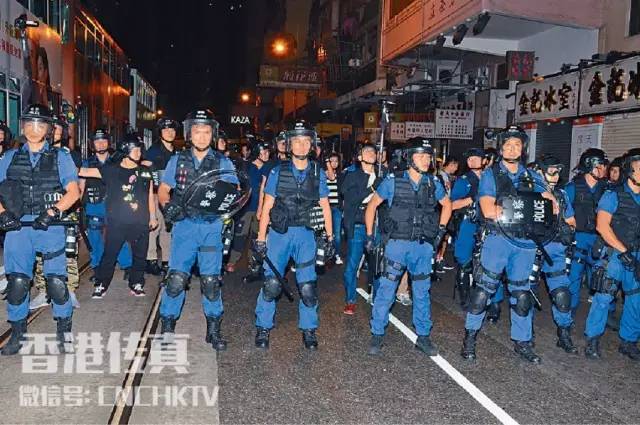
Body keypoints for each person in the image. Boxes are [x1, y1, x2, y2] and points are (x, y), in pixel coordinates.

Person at [460, 126, 558, 363]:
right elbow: (487, 209)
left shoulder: (533, 176)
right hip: (498, 240)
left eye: (517, 145)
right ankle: (470, 338)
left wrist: (523, 208)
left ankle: (522, 342)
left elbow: (552, 206)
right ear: (501, 148)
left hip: (525, 243)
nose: (513, 148)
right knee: (483, 292)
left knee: (522, 295)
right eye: (508, 145)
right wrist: (526, 209)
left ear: (523, 149)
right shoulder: (490, 174)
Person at [0, 104, 80, 355]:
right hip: (18, 227)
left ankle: (64, 329)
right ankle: (18, 332)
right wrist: (2, 216)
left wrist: (52, 212)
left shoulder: (61, 157)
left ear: (48, 129)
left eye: (40, 124)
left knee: (56, 282)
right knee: (17, 283)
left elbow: (73, 192)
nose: (35, 129)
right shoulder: (9, 158)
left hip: (49, 225)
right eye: (30, 123)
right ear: (22, 126)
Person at [158, 109, 240, 352]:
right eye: (197, 131)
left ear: (212, 134)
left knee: (211, 281)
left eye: (206, 132)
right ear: (189, 134)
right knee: (175, 280)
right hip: (185, 227)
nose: (202, 136)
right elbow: (163, 189)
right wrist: (167, 206)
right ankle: (168, 328)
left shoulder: (223, 162)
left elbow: (235, 193)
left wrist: (226, 218)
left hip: (211, 228)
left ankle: (213, 330)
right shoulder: (178, 160)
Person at [364, 137, 451, 355]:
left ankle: (423, 336)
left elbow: (447, 205)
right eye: (420, 155)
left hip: (422, 246)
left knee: (422, 292)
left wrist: (440, 231)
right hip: (397, 244)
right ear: (410, 158)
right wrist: (369, 235)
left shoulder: (433, 183)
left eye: (428, 156)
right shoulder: (394, 180)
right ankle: (377, 334)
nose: (425, 160)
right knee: (386, 290)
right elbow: (372, 205)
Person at [252, 120, 334, 350]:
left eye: (305, 142)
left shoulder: (318, 173)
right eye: (296, 142)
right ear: (289, 145)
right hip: (280, 234)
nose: (300, 146)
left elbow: (325, 206)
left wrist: (330, 238)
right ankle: (263, 327)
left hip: (306, 235)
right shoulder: (278, 171)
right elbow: (268, 206)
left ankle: (309, 329)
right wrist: (261, 238)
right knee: (271, 284)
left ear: (311, 146)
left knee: (307, 287)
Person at [79, 134, 156, 298]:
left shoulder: (144, 171)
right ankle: (101, 284)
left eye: (139, 149)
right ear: (125, 150)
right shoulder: (111, 170)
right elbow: (84, 171)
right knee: (110, 254)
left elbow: (150, 195)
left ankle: (136, 282)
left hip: (140, 221)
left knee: (140, 255)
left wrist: (153, 216)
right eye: (134, 149)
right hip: (117, 222)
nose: (138, 152)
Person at [583, 149, 640, 360]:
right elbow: (602, 226)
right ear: (629, 170)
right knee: (603, 297)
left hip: (636, 255)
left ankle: (629, 341)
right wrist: (623, 251)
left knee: (635, 300)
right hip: (614, 254)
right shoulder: (613, 195)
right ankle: (592, 340)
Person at [30, 114, 82, 310]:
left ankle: (70, 290)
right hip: (41, 211)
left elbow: (77, 188)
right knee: (41, 254)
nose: (56, 132)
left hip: (66, 212)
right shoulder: (36, 153)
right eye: (53, 128)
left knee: (69, 253)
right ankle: (44, 291)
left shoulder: (71, 155)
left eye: (60, 129)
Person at [450, 148, 505, 316]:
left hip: (490, 225)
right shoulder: (464, 181)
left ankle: (494, 304)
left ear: (484, 161)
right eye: (469, 159)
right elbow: (451, 205)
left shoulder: (493, 179)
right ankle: (466, 299)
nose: (472, 161)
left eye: (476, 158)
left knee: (493, 264)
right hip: (469, 223)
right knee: (465, 261)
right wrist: (471, 199)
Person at [536, 155, 579, 353]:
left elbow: (571, 221)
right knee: (523, 295)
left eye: (557, 171)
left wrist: (566, 229)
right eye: (551, 170)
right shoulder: (530, 192)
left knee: (562, 294)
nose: (555, 175)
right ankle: (524, 338)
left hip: (556, 249)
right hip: (532, 248)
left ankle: (564, 334)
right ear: (540, 172)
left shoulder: (562, 194)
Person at [79, 129, 133, 283]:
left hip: (115, 204)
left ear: (109, 143)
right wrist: (77, 204)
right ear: (92, 144)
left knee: (119, 235)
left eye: (103, 140)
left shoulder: (118, 160)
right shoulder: (87, 163)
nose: (101, 143)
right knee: (95, 237)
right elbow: (81, 186)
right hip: (94, 203)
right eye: (97, 141)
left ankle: (127, 266)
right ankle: (98, 267)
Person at [565, 149, 608, 316]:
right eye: (600, 165)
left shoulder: (607, 189)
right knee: (573, 278)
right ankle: (569, 313)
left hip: (599, 238)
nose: (604, 169)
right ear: (590, 166)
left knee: (603, 279)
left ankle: (604, 314)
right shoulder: (572, 188)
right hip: (578, 238)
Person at [340, 142, 381, 315]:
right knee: (352, 264)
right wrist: (372, 187)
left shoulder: (382, 175)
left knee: (378, 263)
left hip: (378, 224)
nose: (372, 153)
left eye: (374, 151)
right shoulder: (352, 176)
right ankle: (350, 299)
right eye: (367, 151)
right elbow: (351, 199)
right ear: (360, 157)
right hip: (358, 224)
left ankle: (378, 297)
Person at [227, 139, 270, 273]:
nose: (266, 155)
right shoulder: (247, 167)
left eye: (268, 152)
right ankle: (232, 261)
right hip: (246, 207)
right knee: (240, 236)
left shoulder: (268, 168)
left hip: (262, 208)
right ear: (257, 153)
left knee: (255, 236)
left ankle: (253, 262)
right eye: (263, 152)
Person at [145, 118, 179, 276]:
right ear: (160, 133)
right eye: (166, 130)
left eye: (172, 130)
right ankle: (151, 259)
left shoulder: (178, 152)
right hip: (155, 193)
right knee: (154, 226)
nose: (170, 133)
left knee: (168, 228)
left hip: (173, 195)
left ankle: (167, 260)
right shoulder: (153, 152)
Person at [325, 152, 343, 265]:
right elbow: (331, 176)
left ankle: (336, 254)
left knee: (337, 233)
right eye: (332, 161)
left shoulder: (341, 174)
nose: (334, 163)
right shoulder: (324, 173)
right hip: (325, 207)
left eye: (336, 161)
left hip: (336, 207)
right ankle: (325, 253)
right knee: (324, 232)